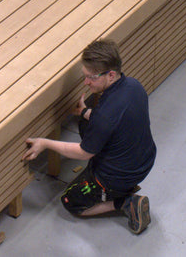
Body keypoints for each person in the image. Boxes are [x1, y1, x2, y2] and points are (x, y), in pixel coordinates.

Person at [23, 40, 156, 234]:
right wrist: (85, 112)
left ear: (111, 74)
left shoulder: (104, 115)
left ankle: (124, 201)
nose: (86, 82)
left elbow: (84, 153)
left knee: (70, 201)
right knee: (85, 122)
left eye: (91, 78)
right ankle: (121, 187)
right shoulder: (134, 86)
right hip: (144, 159)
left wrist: (45, 143)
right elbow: (115, 121)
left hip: (117, 175)